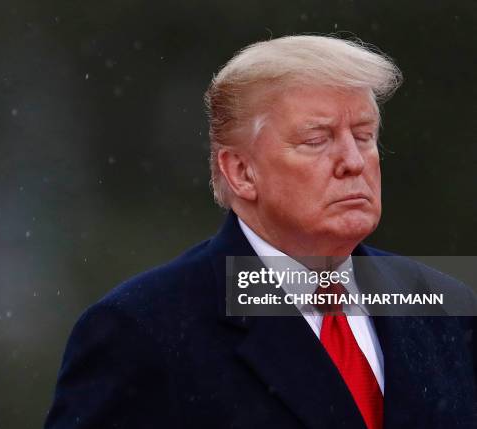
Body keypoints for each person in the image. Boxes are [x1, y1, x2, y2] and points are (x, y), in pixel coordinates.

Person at [44, 35, 477, 429]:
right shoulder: (143, 329)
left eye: (364, 136)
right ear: (241, 172)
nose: (354, 161)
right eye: (317, 139)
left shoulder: (446, 307)